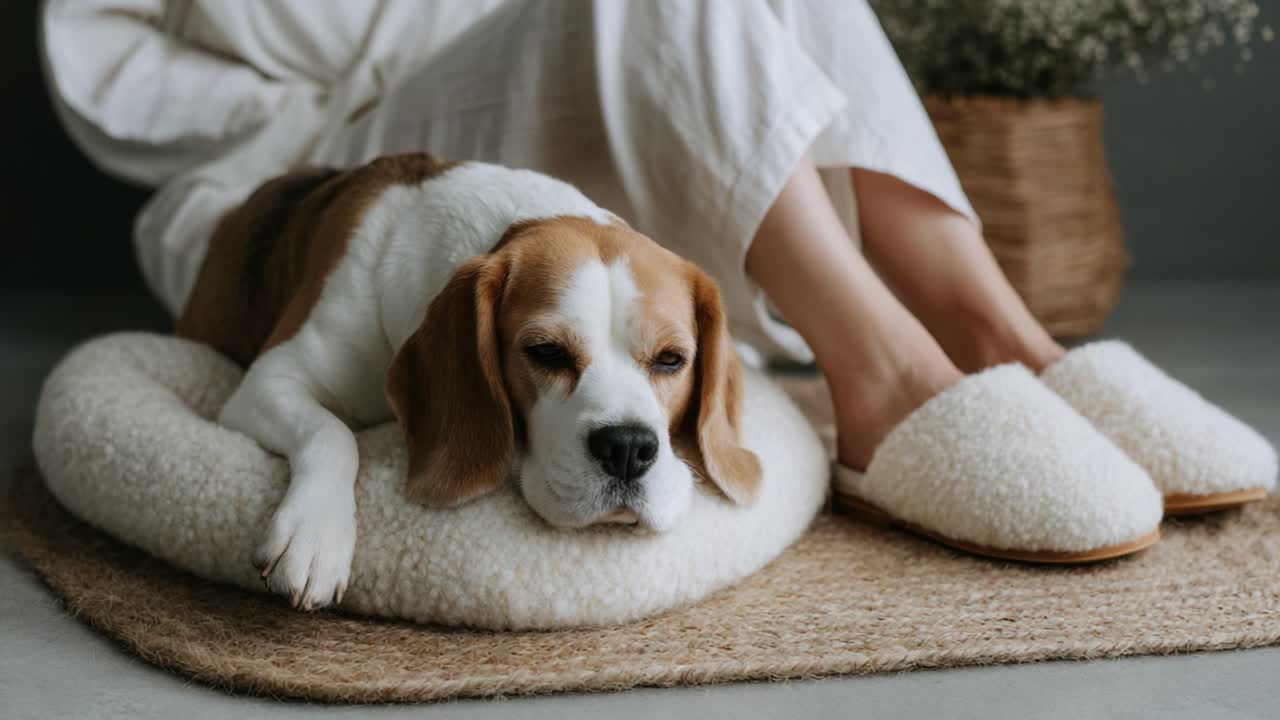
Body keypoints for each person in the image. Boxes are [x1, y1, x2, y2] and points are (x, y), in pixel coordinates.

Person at [41, 0, 1276, 560]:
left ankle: (1002, 334)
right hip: (305, 151)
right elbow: (113, 75)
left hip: (539, 106)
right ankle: (887, 374)